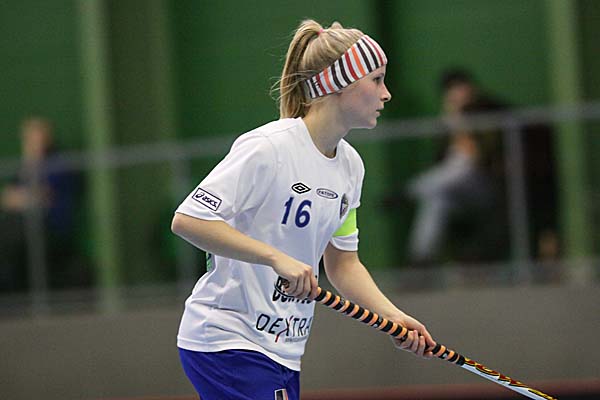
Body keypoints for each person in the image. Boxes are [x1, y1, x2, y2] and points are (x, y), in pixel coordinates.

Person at [171, 19, 436, 400]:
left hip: (284, 348)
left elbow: (343, 264)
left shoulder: (351, 167)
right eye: (376, 80)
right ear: (339, 84)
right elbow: (189, 220)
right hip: (228, 339)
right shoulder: (269, 147)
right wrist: (275, 258)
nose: (387, 93)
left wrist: (391, 315)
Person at [404, 69, 509, 265]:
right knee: (436, 200)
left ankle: (409, 191)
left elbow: (481, 155)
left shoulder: (489, 110)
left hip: (486, 185)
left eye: (461, 87)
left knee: (461, 169)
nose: (458, 93)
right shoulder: (447, 120)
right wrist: (451, 122)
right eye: (452, 90)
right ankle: (420, 261)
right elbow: (440, 159)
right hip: (455, 190)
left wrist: (464, 122)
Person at [0, 117, 83, 291]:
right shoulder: (26, 165)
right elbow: (6, 198)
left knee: (15, 228)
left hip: (51, 229)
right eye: (30, 138)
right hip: (22, 227)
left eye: (39, 136)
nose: (34, 142)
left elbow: (40, 197)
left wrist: (23, 198)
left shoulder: (59, 164)